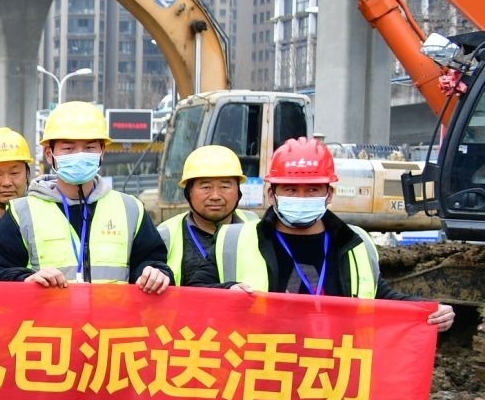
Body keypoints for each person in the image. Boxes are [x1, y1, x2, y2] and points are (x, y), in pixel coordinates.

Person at [187, 137, 456, 329]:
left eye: (313, 189)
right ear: (272, 193)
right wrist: (225, 291)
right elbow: (191, 295)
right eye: (291, 190)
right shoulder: (234, 241)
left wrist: (430, 311)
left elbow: (380, 298)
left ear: (329, 194)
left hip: (331, 376)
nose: (302, 196)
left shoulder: (356, 243)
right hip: (260, 375)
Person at [0, 101, 172, 293]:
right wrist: (26, 278)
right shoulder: (22, 213)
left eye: (89, 148)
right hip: (50, 322)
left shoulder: (130, 209)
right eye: (68, 149)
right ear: (49, 154)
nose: (80, 155)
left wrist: (154, 273)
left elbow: (154, 262)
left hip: (113, 322)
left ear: (102, 152)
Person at [159, 144, 255, 284]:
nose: (215, 196)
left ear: (238, 191)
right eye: (206, 187)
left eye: (225, 186)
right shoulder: (165, 235)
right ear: (188, 192)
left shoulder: (256, 229)